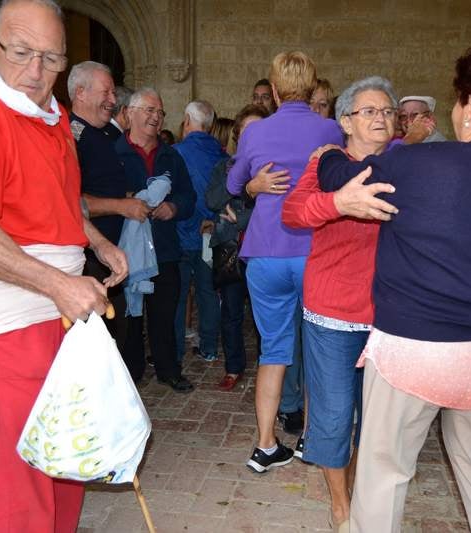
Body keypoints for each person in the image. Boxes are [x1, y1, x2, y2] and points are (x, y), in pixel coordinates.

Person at [317, 40, 471, 532]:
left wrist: (326, 156)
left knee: (385, 469)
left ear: (470, 104)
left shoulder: (417, 164)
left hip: (418, 350)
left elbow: (341, 174)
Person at [0, 0, 128, 530]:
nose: (36, 73)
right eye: (21, 53)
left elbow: (62, 199)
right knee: (17, 473)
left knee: (63, 452)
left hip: (58, 305)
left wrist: (96, 244)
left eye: (51, 59)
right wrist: (58, 284)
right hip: (12, 313)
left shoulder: (51, 113)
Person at [282, 76, 402, 533]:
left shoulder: (405, 166)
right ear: (345, 122)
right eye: (369, 111)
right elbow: (294, 212)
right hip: (333, 312)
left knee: (378, 422)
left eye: (388, 111)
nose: (381, 118)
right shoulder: (327, 166)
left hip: (392, 316)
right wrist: (339, 201)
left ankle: (368, 495)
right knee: (333, 416)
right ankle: (340, 506)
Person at [227, 51, 344, 473]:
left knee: (273, 351)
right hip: (316, 252)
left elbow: (232, 182)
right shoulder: (330, 128)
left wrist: (256, 184)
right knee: (319, 352)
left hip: (266, 253)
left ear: (273, 91)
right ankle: (312, 440)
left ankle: (265, 445)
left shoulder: (257, 132)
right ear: (312, 89)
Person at [115, 87, 197, 391]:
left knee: (165, 313)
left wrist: (173, 207)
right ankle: (131, 371)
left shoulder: (170, 156)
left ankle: (168, 369)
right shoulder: (115, 153)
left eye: (160, 112)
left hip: (164, 249)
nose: (155, 117)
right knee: (130, 314)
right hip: (127, 251)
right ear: (130, 113)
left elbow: (189, 197)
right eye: (149, 110)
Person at [69, 61, 145, 353]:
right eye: (107, 92)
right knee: (97, 340)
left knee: (118, 331)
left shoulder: (108, 135)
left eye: (114, 92)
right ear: (81, 93)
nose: (114, 101)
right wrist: (121, 205)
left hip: (111, 253)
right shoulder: (71, 137)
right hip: (87, 257)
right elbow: (70, 200)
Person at [205, 103, 270, 390]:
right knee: (231, 313)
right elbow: (213, 201)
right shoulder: (224, 166)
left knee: (263, 315)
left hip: (262, 250)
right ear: (237, 135)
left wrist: (241, 215)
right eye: (246, 131)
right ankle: (234, 367)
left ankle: (268, 367)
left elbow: (273, 211)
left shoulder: (272, 168)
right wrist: (241, 184)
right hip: (229, 249)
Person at [174, 100, 225, 364]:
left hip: (181, 233)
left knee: (179, 294)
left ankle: (176, 350)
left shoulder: (175, 153)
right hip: (210, 234)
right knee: (207, 293)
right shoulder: (222, 155)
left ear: (186, 120)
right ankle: (208, 347)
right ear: (211, 125)